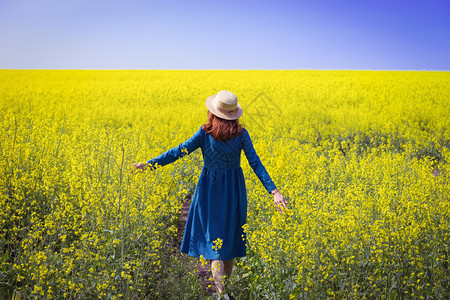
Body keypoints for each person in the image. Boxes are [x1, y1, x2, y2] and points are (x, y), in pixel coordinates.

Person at [132, 90, 288, 294]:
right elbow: (255, 163)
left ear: (213, 112)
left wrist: (150, 164)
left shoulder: (205, 133)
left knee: (215, 248)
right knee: (229, 241)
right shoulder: (241, 134)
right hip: (233, 191)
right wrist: (274, 191)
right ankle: (225, 292)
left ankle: (221, 292)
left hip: (209, 190)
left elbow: (178, 151)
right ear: (234, 114)